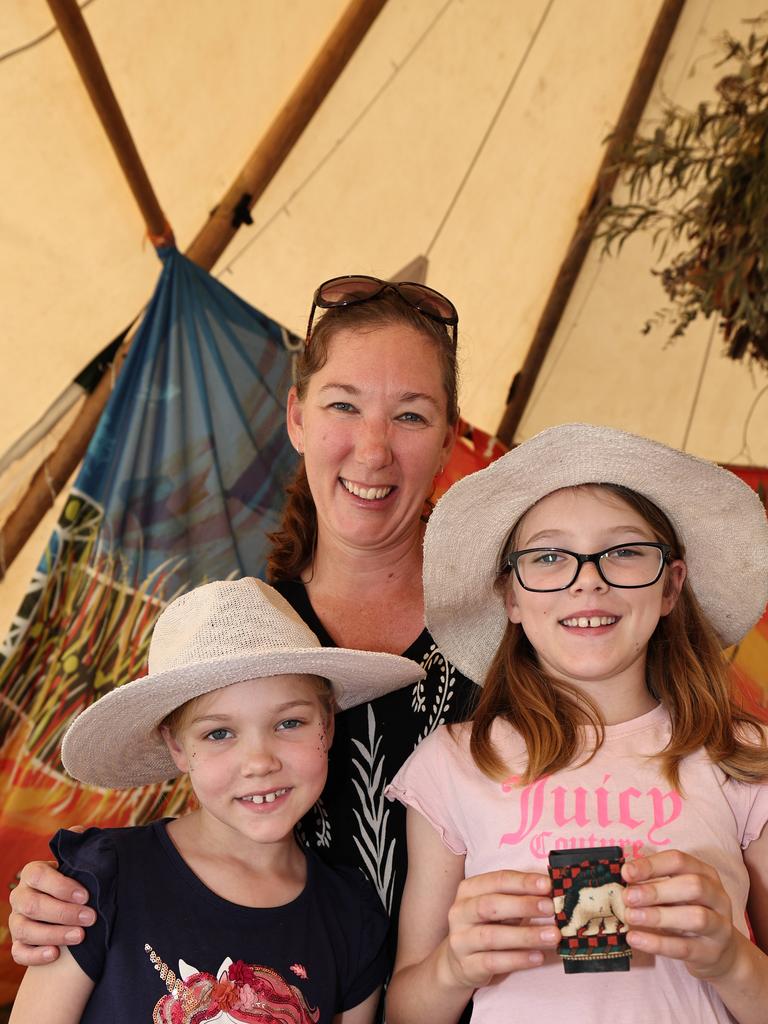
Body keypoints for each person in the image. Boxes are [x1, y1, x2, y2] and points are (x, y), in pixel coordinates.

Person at [9, 277, 480, 996]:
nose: (374, 449)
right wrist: (69, 902)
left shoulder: (518, 637)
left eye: (410, 416)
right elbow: (182, 854)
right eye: (343, 405)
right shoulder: (241, 642)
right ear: (297, 418)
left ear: (450, 437)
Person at [384, 423, 768, 1024]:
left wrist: (732, 960)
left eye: (624, 551)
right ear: (511, 597)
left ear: (671, 585)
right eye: (548, 556)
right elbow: (407, 1011)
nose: (588, 579)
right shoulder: (451, 763)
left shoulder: (743, 758)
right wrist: (454, 965)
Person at [10, 577, 427, 1024]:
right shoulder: (101, 880)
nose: (259, 762)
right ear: (176, 746)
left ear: (327, 722)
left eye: (289, 723)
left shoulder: (352, 916)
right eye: (219, 733)